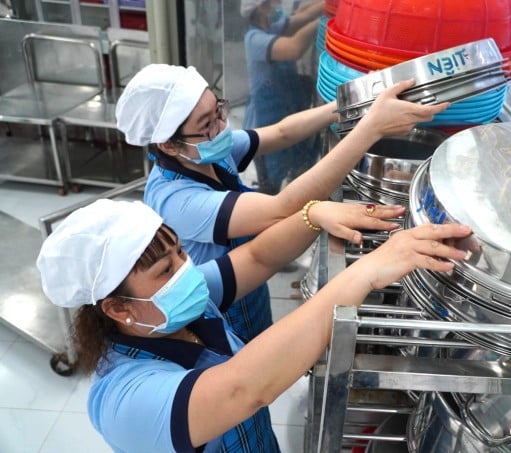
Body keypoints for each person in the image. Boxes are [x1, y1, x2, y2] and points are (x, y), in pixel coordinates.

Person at [36, 198, 472, 452]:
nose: (186, 271)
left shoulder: (175, 309)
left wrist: (313, 214)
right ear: (117, 309)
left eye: (182, 254)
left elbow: (257, 258)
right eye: (166, 270)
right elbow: (244, 389)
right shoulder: (122, 399)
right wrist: (369, 271)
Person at [115, 64, 448, 343]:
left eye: (218, 110)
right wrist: (370, 128)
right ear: (169, 146)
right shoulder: (175, 199)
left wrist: (349, 105)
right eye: (206, 125)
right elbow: (281, 207)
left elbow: (282, 132)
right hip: (222, 303)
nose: (221, 127)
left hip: (251, 287)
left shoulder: (207, 152)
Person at [241, 0, 326, 194]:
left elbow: (302, 16)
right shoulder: (254, 39)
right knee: (271, 179)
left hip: (284, 109)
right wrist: (325, 21)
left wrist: (329, 5)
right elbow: (293, 48)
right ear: (261, 8)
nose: (278, 4)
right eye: (274, 2)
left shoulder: (272, 28)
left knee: (291, 168)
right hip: (264, 118)